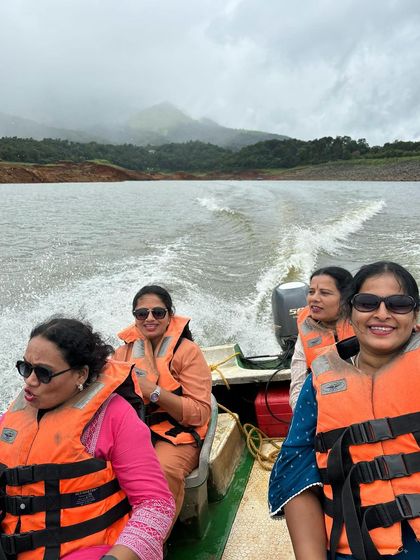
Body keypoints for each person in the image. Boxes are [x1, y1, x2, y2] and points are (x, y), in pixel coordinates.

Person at [269, 261, 420, 559]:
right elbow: (295, 473)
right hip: (352, 544)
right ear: (349, 313)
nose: (381, 314)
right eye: (366, 303)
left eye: (399, 305)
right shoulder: (320, 382)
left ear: (416, 317)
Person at [0, 317, 175, 560]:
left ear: (80, 375)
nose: (29, 380)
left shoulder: (114, 417)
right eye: (25, 367)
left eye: (43, 373)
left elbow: (156, 506)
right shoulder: (14, 416)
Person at [114, 285, 212, 523]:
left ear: (169, 315)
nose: (149, 318)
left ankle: (151, 543)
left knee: (160, 471)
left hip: (177, 435)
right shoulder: (122, 355)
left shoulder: (187, 352)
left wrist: (154, 392)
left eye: (158, 312)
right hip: (133, 433)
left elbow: (200, 413)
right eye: (141, 314)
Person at [289, 266, 354, 410]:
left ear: (345, 299)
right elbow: (298, 385)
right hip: (324, 412)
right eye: (311, 292)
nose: (314, 298)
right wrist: (304, 416)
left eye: (324, 293)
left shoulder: (364, 325)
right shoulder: (306, 331)